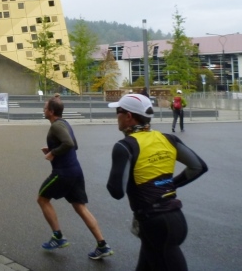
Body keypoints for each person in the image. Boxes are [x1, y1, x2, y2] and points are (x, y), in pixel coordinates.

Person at [107, 93, 207, 270]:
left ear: (128, 116)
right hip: (174, 218)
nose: (116, 116)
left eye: (118, 112)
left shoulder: (125, 146)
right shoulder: (168, 139)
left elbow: (116, 191)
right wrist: (169, 184)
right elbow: (198, 167)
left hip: (155, 225)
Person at [38, 97, 113, 260]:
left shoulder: (56, 126)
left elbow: (69, 144)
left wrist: (53, 153)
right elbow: (74, 144)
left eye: (45, 108)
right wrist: (52, 148)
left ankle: (58, 236)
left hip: (63, 173)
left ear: (51, 111)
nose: (43, 110)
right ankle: (102, 245)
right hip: (75, 171)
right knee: (80, 207)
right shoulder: (64, 123)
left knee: (42, 199)